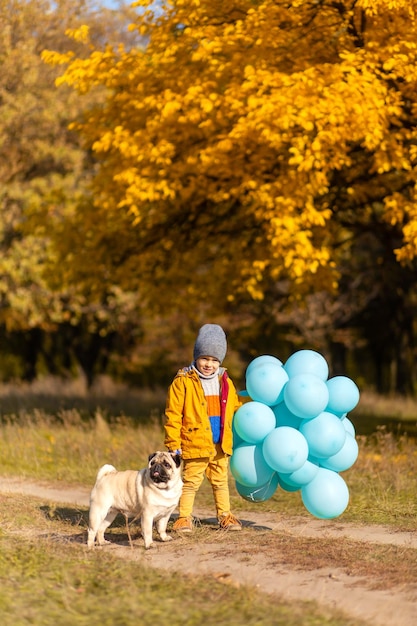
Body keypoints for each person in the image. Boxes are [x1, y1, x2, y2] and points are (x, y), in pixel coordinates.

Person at [164, 323, 242, 532]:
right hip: (195, 442)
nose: (209, 364)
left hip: (220, 443)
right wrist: (173, 443)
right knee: (190, 482)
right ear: (196, 357)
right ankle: (184, 518)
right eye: (205, 358)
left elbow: (235, 406)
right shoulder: (183, 382)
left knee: (220, 481)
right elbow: (173, 415)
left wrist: (254, 406)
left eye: (214, 360)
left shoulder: (225, 382)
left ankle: (225, 516)